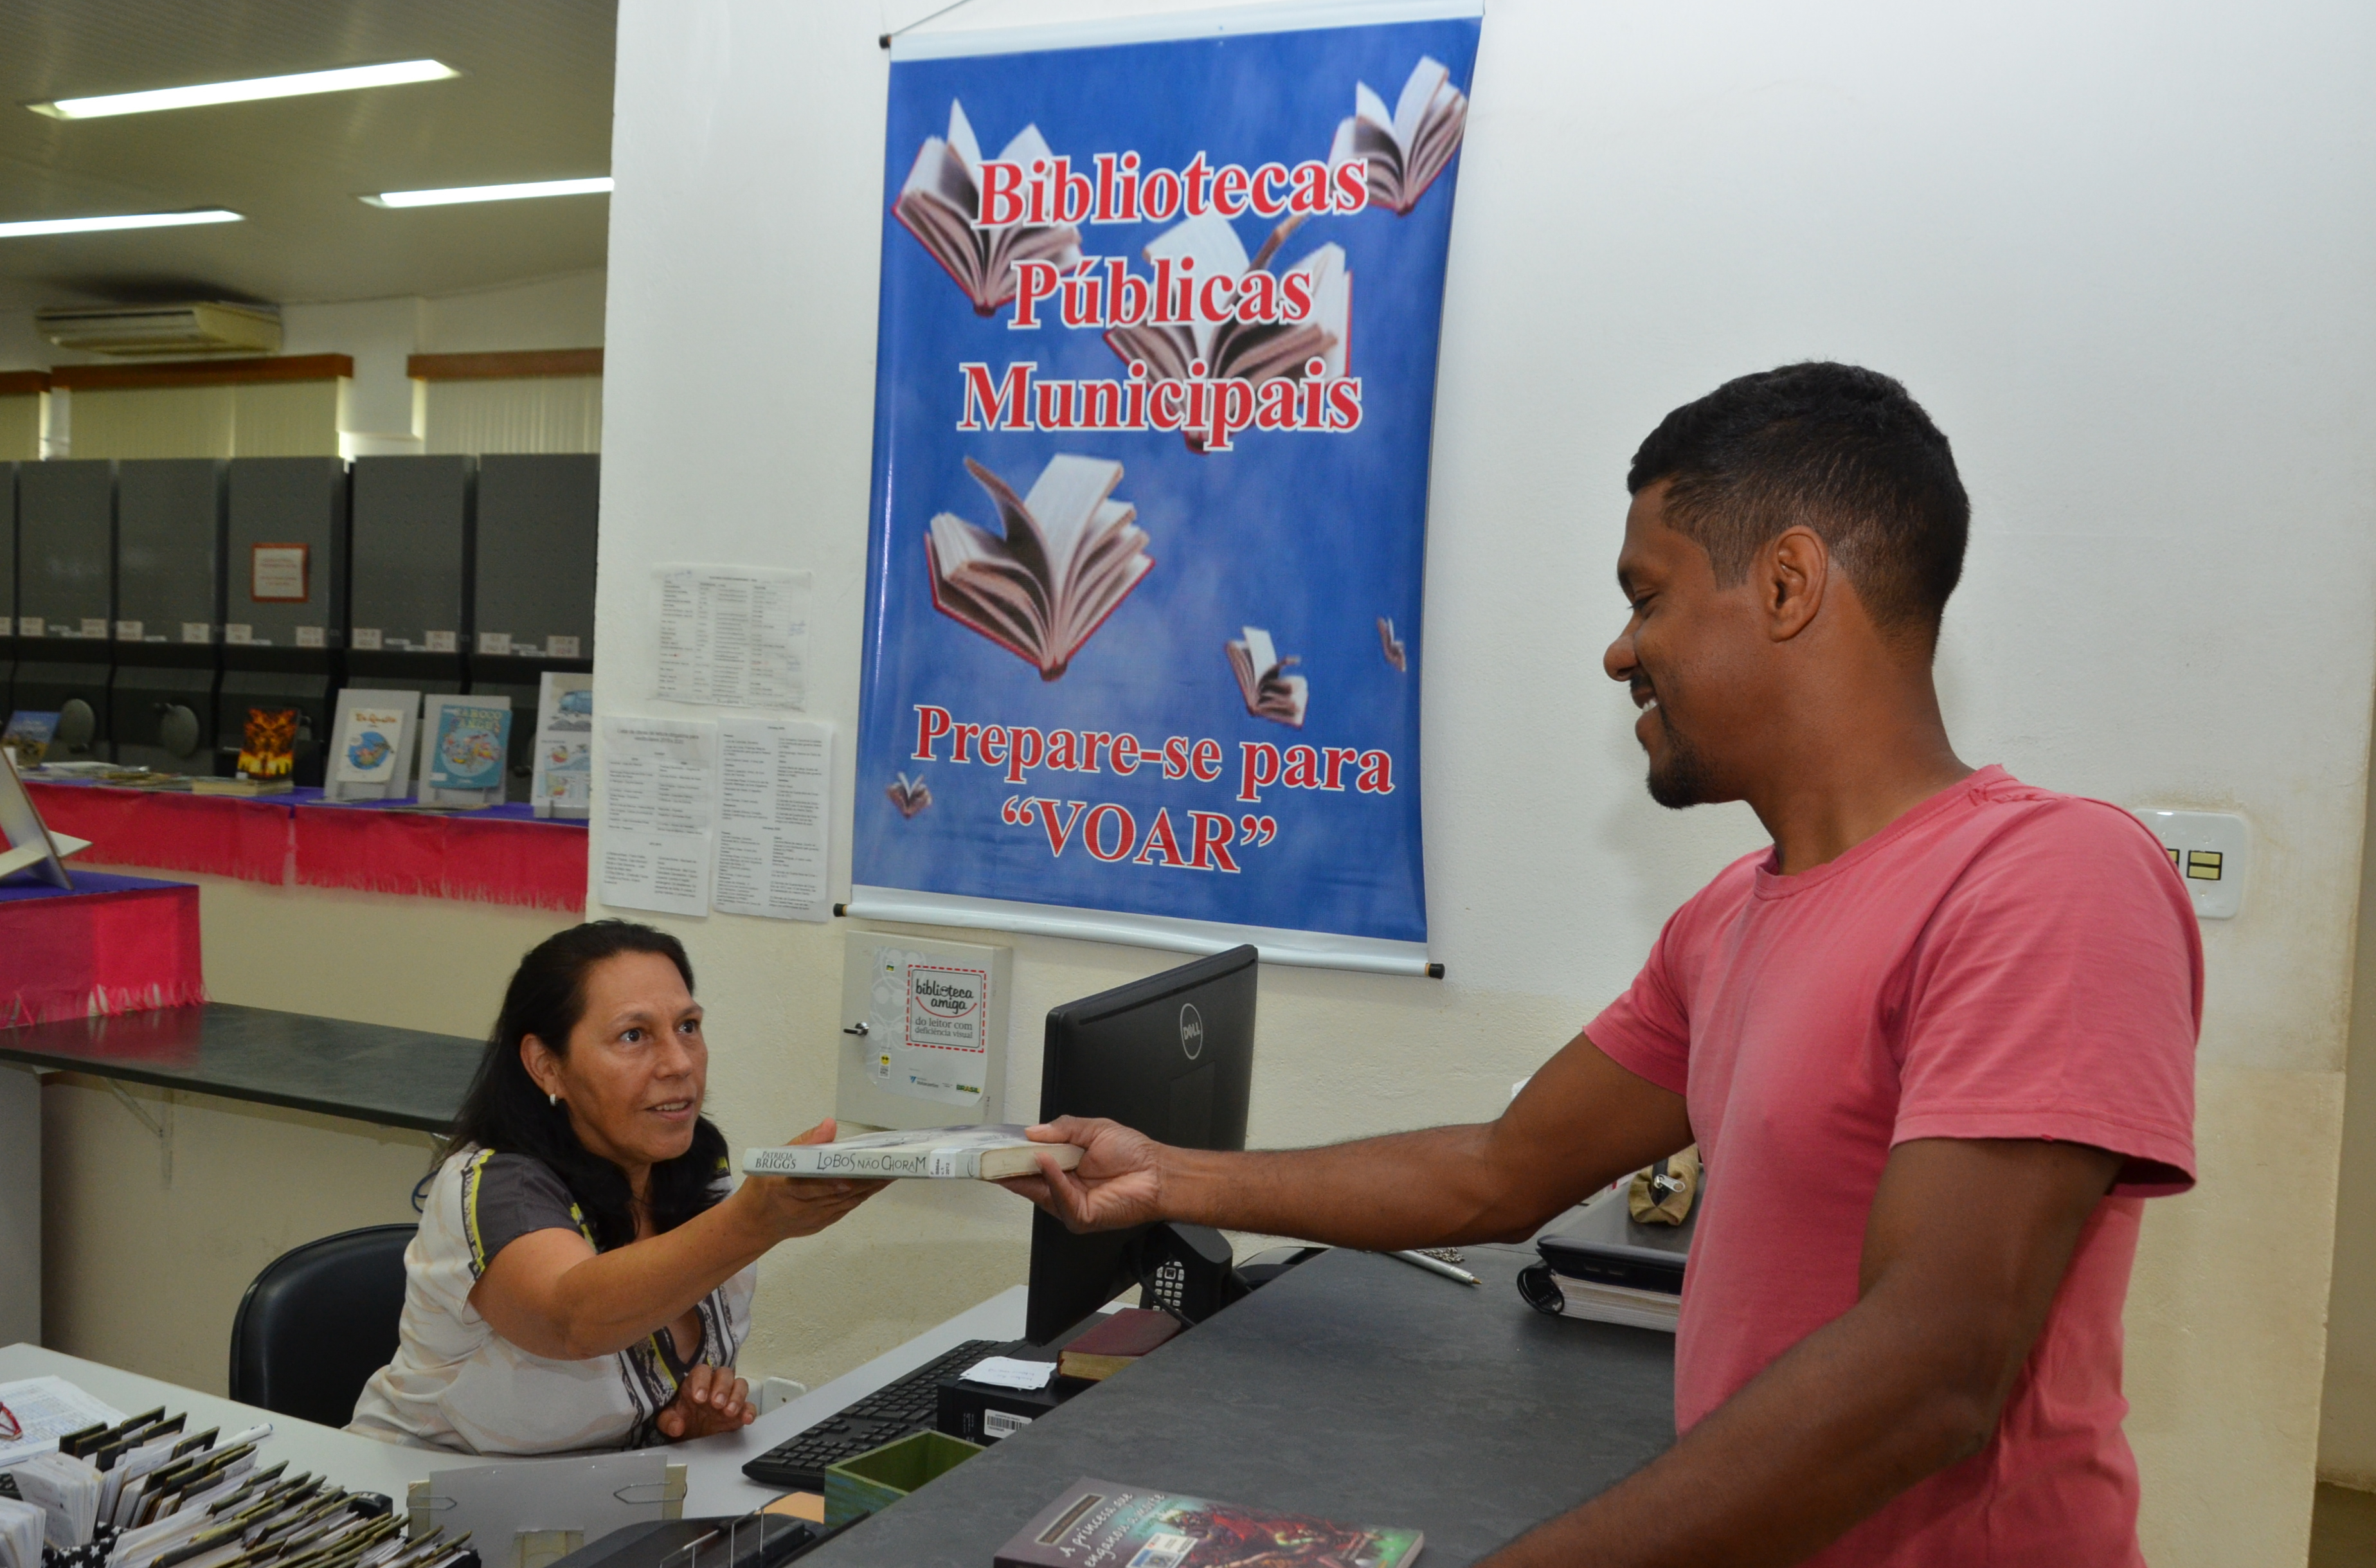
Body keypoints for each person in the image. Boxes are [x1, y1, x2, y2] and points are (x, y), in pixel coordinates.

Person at [1003, 363, 2200, 1567]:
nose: (1620, 652)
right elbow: (1497, 1172)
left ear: (1787, 583)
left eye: (1649, 596)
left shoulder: (2047, 878)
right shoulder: (1728, 916)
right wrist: (1166, 1178)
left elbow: (1932, 1367)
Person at [350, 920, 882, 1454]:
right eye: (634, 1036)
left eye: (688, 1027)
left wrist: (685, 1424)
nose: (679, 1064)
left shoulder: (695, 1161)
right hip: (416, 1504)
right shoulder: (494, 1186)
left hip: (600, 1506)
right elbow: (572, 1321)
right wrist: (756, 1219)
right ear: (546, 1066)